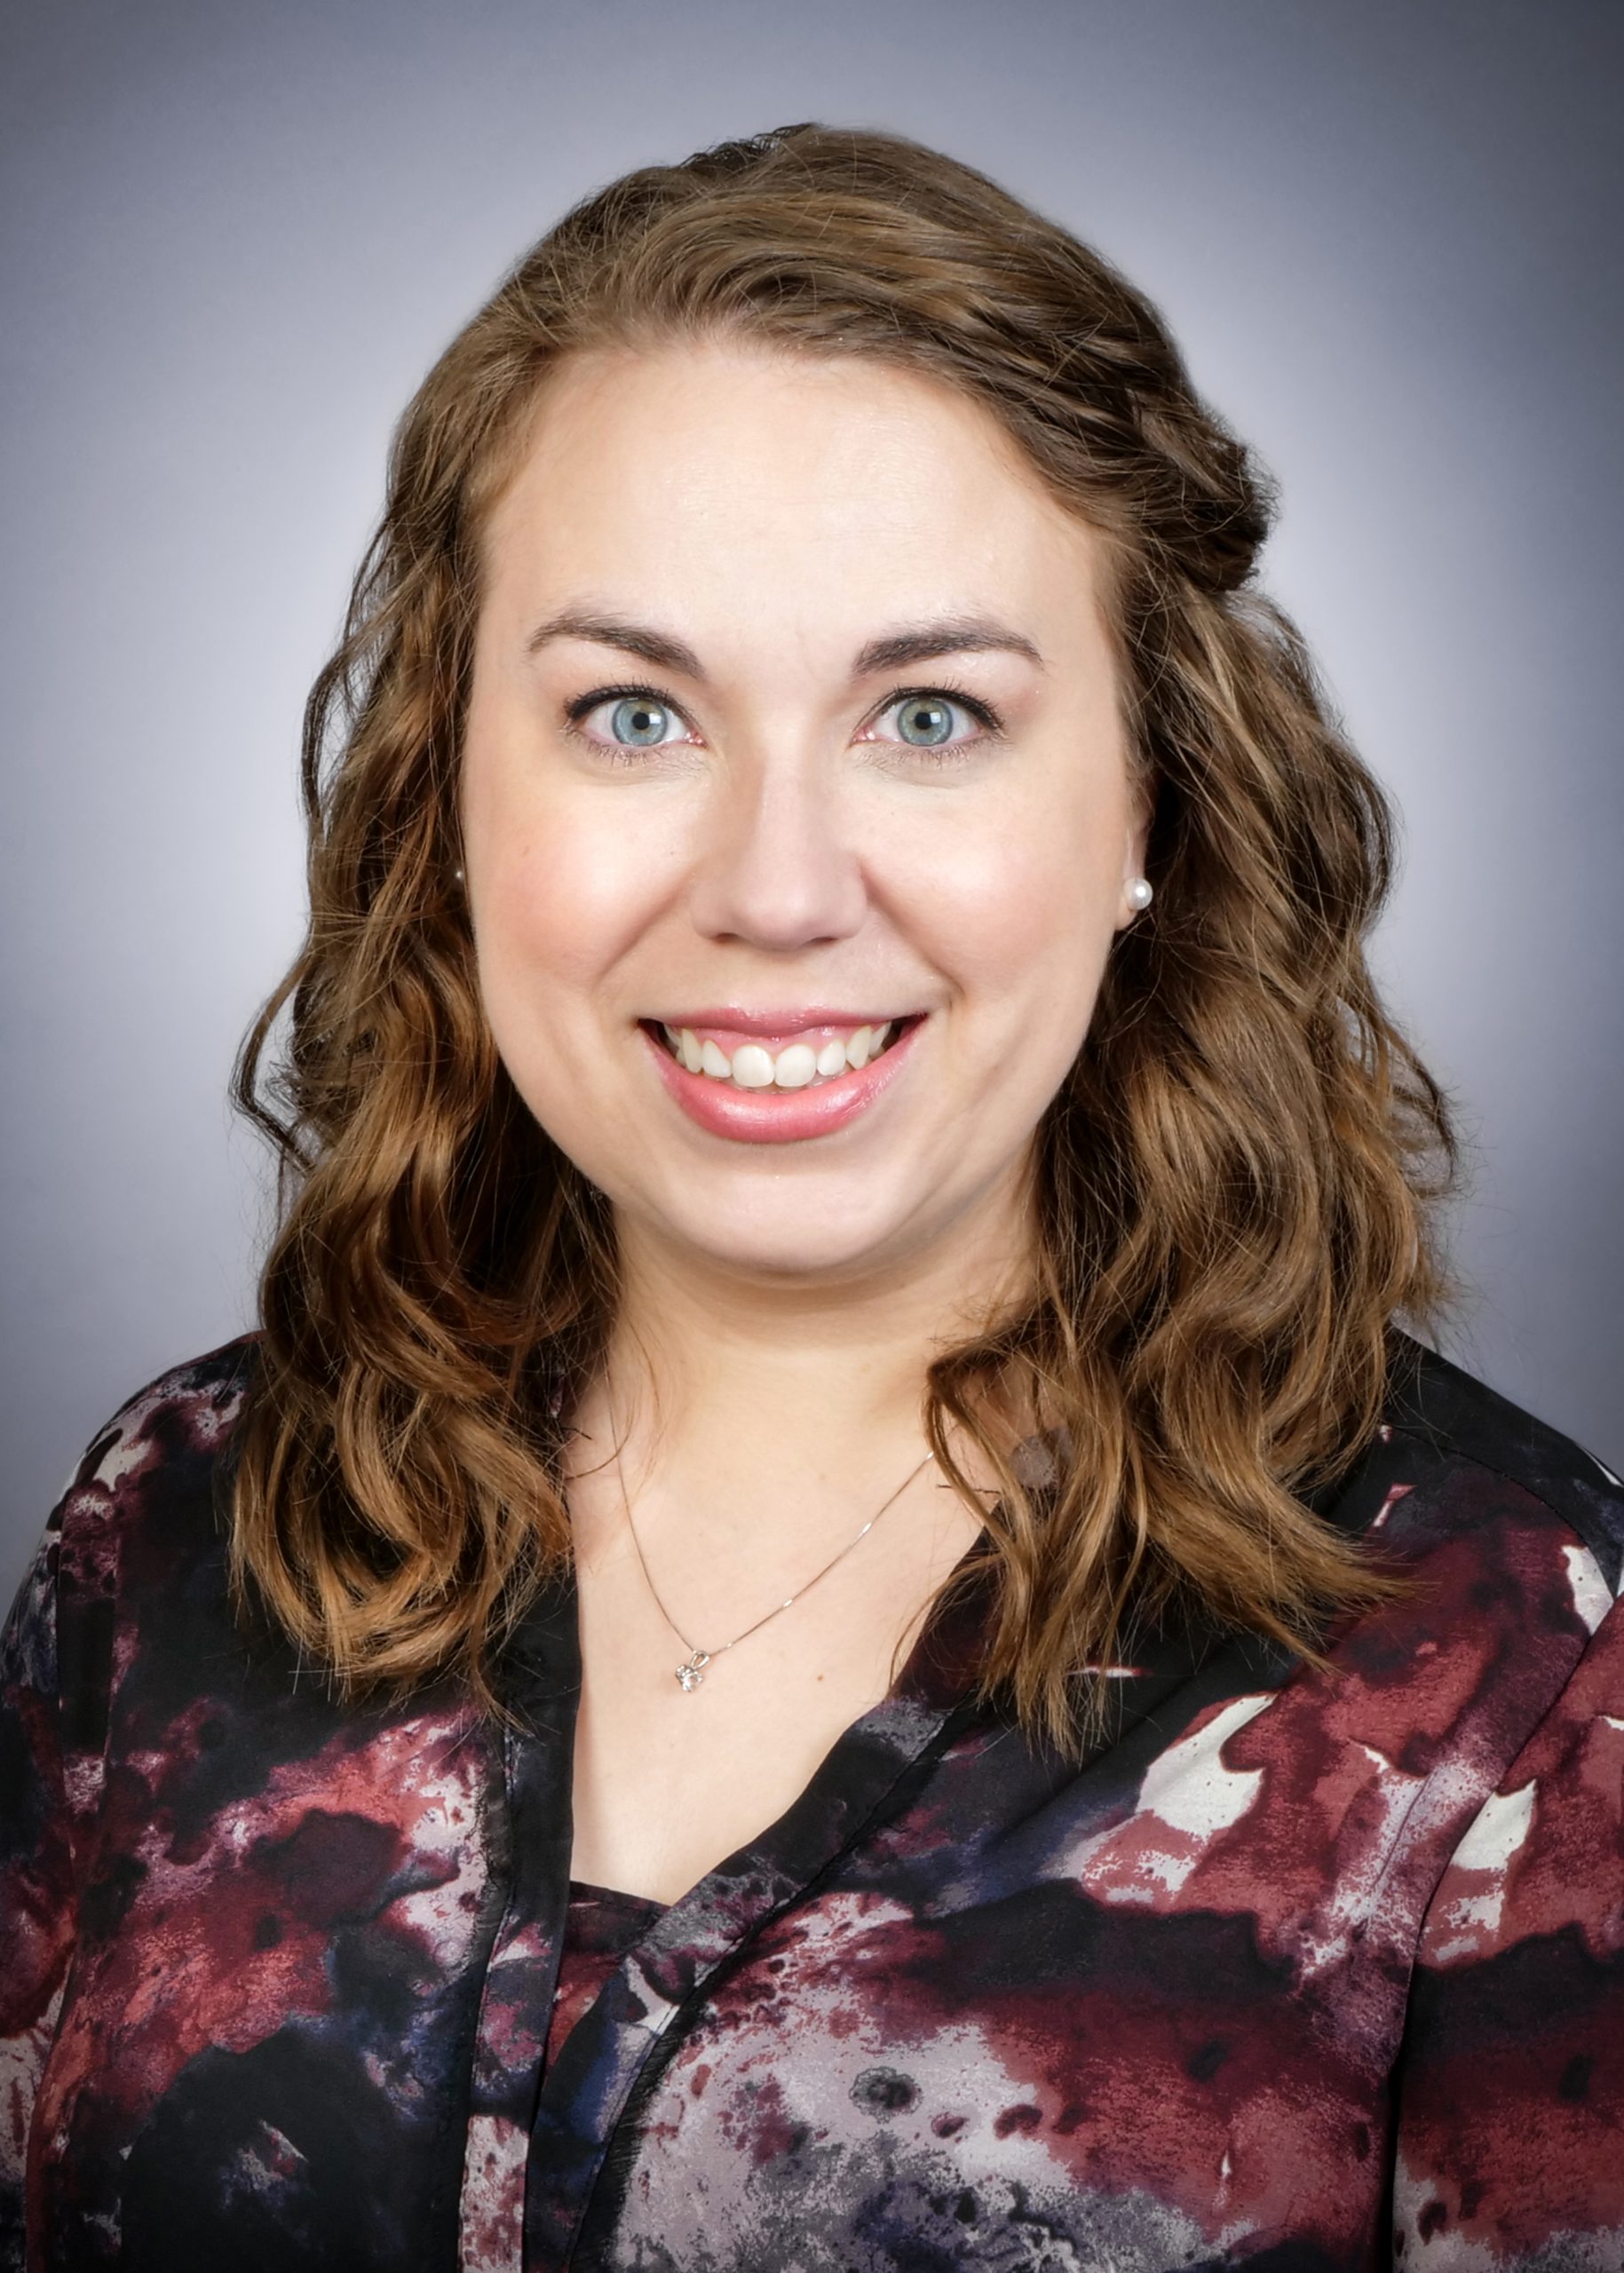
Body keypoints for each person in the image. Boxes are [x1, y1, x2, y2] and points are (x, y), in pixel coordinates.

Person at [2, 119, 1620, 2273]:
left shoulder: (1515, 1669)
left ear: (1150, 802)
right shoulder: (178, 1523)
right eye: (633, 712)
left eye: (930, 715)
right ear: (448, 793)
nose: (775, 889)